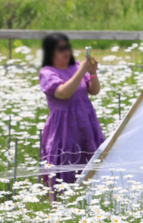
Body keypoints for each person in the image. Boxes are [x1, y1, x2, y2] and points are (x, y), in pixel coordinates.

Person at [39, 33, 104, 190]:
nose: (66, 51)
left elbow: (94, 91)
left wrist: (93, 73)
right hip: (64, 125)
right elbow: (63, 93)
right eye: (61, 48)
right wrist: (82, 70)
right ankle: (62, 198)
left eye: (67, 46)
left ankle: (90, 193)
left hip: (86, 120)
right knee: (66, 158)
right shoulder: (47, 73)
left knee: (90, 155)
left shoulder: (76, 66)